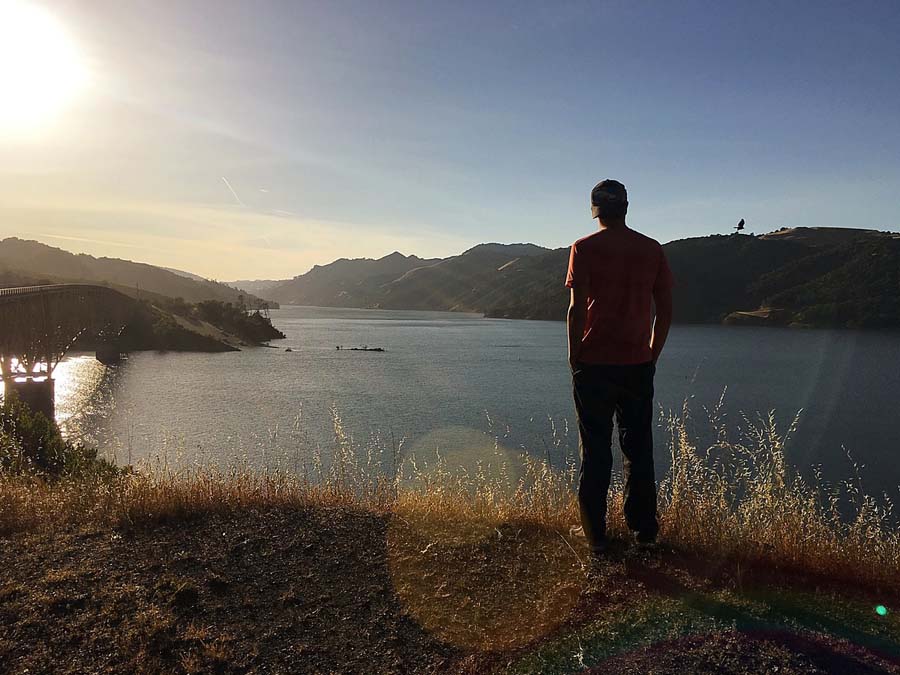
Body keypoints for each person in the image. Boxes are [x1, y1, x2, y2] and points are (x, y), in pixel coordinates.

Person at [566, 179, 674, 556]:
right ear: (626, 208)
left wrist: (573, 354)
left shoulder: (584, 248)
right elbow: (666, 311)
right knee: (638, 449)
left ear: (595, 210)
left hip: (594, 364)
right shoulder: (651, 250)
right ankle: (644, 533)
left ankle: (595, 536)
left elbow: (577, 309)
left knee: (595, 451)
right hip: (637, 365)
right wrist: (652, 354)